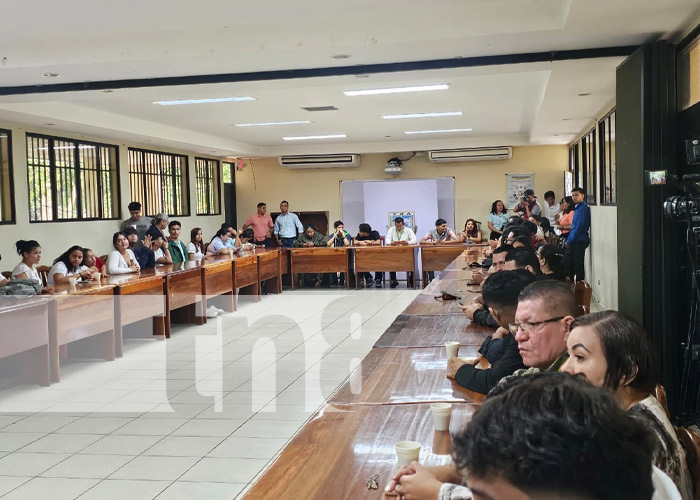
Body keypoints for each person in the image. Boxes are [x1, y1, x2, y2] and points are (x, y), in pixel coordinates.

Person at [561, 311, 693, 500]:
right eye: (569, 355)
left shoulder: (633, 440)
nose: (566, 368)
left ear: (626, 372)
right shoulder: (628, 412)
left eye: (580, 357)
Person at [448, 270, 535, 393]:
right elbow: (504, 367)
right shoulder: (518, 328)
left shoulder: (526, 331)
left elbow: (496, 381)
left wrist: (461, 370)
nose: (521, 335)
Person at [511, 280, 577, 374]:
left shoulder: (573, 383)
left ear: (567, 327)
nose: (518, 337)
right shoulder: (543, 372)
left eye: (530, 325)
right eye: (518, 326)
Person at [563, 187, 591, 282]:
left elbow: (579, 227)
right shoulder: (577, 208)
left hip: (580, 239)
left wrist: (569, 240)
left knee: (578, 266)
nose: (574, 197)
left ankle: (580, 289)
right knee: (573, 264)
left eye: (576, 195)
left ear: (582, 196)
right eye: (573, 195)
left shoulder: (584, 209)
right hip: (575, 239)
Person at [385, 217, 417, 288]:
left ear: (403, 224)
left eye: (400, 226)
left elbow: (414, 240)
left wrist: (408, 242)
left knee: (410, 263)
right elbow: (387, 239)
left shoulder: (408, 230)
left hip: (406, 251)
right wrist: (391, 242)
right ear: (395, 224)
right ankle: (394, 280)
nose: (399, 228)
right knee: (392, 264)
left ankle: (411, 281)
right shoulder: (391, 229)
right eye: (397, 226)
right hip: (394, 251)